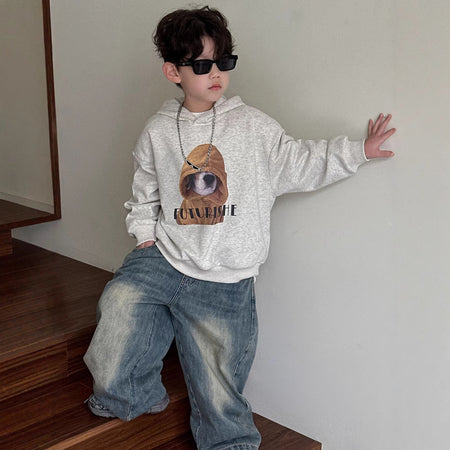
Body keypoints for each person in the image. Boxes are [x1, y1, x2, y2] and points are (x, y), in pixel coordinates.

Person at [84, 6, 396, 450]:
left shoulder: (252, 126)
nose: (216, 73)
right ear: (173, 72)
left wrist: (359, 151)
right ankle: (129, 395)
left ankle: (228, 443)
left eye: (223, 62)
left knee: (218, 383)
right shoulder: (157, 131)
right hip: (165, 256)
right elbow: (145, 190)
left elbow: (299, 160)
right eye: (201, 65)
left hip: (226, 278)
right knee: (118, 306)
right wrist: (145, 236)